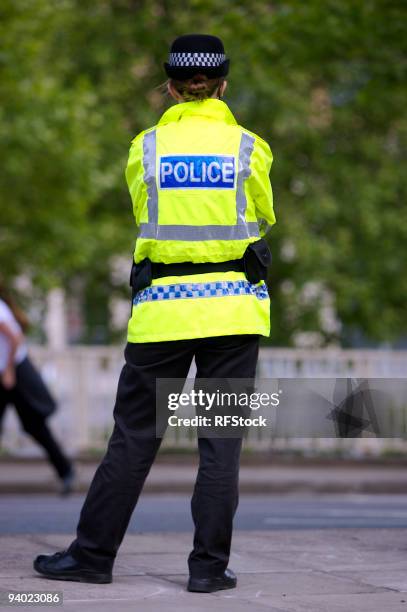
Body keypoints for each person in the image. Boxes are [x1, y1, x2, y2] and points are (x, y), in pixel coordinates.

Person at [34, 34, 276, 592]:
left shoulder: (144, 148)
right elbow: (264, 213)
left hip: (164, 312)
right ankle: (208, 571)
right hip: (234, 313)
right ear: (223, 85)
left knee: (134, 437)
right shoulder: (250, 147)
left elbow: (146, 213)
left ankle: (93, 556)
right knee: (220, 441)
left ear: (168, 87)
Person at [0, 284, 75, 495]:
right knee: (34, 426)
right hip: (8, 372)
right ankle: (66, 470)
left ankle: (66, 470)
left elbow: (15, 338)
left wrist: (8, 371)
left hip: (14, 373)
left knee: (35, 425)